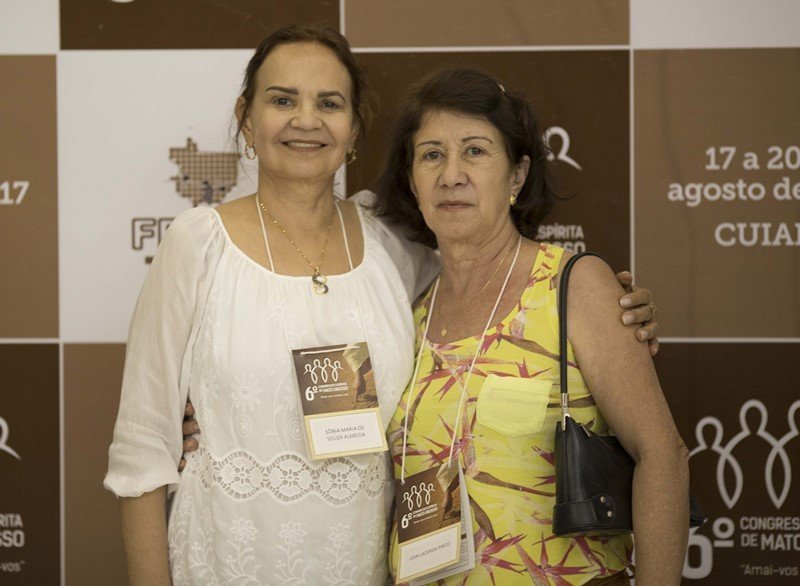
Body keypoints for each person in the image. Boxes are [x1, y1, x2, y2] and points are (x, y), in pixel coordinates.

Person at [105, 26, 661, 585]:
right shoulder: (197, 245)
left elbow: (494, 280)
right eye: (282, 100)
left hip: (364, 566)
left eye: (329, 103)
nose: (306, 120)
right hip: (228, 557)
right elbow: (141, 450)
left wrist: (613, 314)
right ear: (247, 120)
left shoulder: (389, 246)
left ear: (353, 129)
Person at [377, 68, 690, 585]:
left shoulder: (574, 285)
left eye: (475, 151)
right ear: (412, 180)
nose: (451, 174)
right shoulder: (408, 314)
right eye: (431, 154)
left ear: (517, 176)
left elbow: (662, 455)